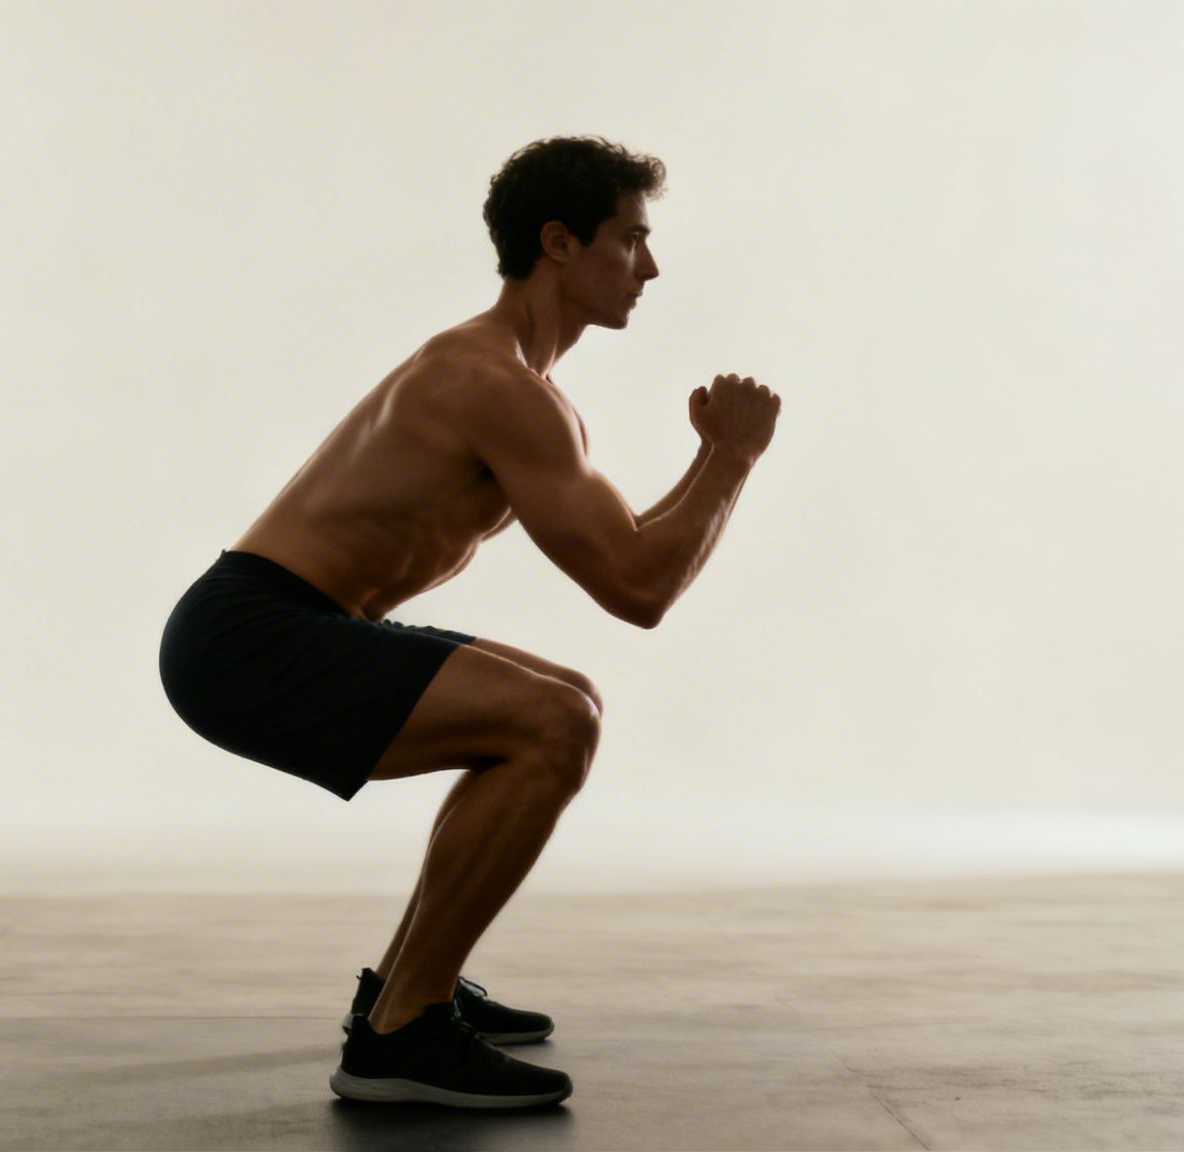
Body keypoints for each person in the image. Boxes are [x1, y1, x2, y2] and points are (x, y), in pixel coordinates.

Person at [158, 136, 780, 1109]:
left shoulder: (519, 387)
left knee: (563, 701)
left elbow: (629, 557)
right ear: (559, 243)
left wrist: (710, 458)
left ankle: (408, 992)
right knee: (551, 723)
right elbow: (639, 591)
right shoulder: (494, 387)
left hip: (272, 627)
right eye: (630, 241)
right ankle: (402, 1033)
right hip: (250, 638)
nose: (648, 268)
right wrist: (733, 460)